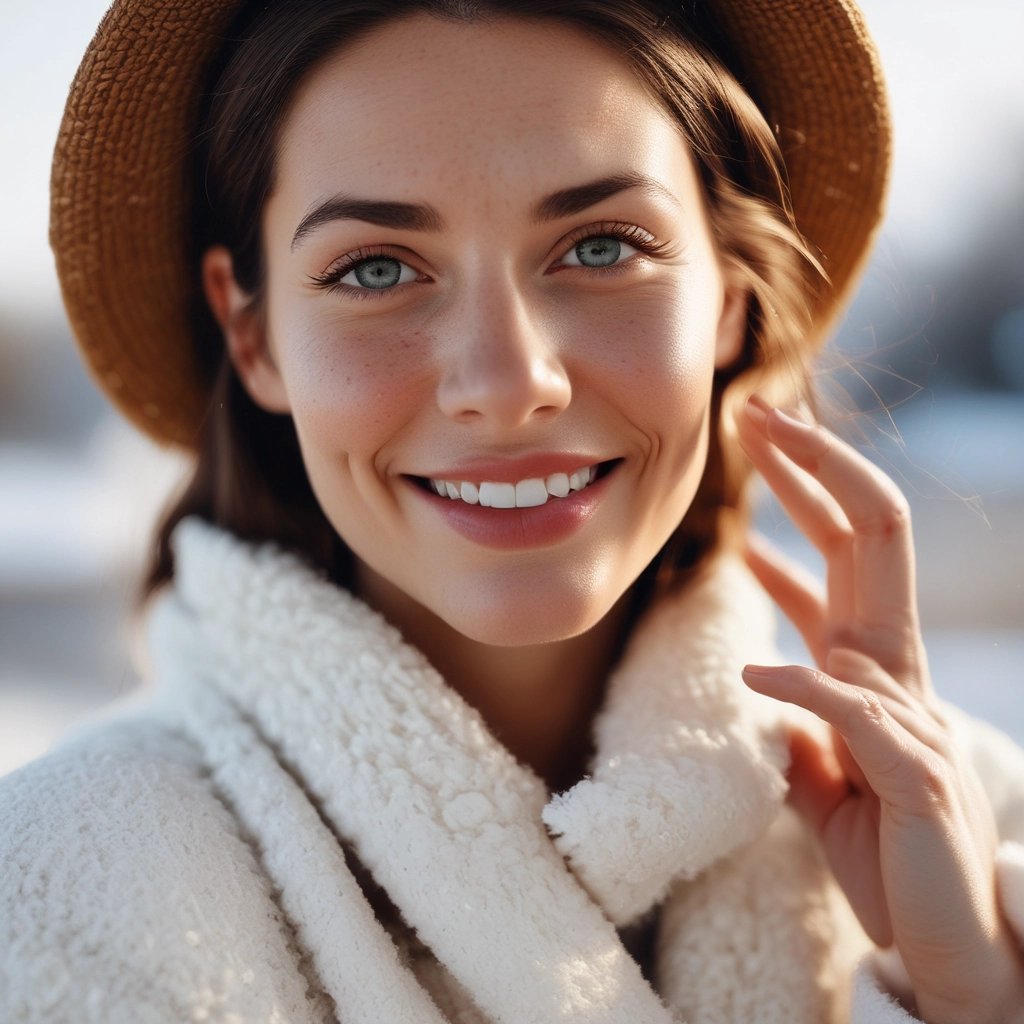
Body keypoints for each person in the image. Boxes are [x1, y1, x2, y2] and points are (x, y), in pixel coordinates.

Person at [2, 0, 1023, 1020]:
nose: (505, 379)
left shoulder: (975, 833)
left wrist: (969, 987)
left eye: (600, 247)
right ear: (253, 331)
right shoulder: (67, 883)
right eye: (375, 268)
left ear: (728, 297)